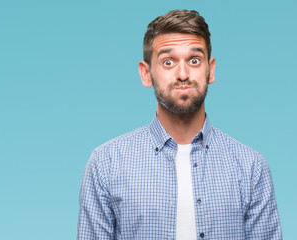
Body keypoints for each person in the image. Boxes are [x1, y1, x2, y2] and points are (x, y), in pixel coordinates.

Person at [77, 9, 282, 239]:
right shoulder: (106, 164)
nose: (182, 73)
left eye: (194, 60)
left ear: (210, 70)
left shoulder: (251, 168)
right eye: (168, 62)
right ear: (146, 74)